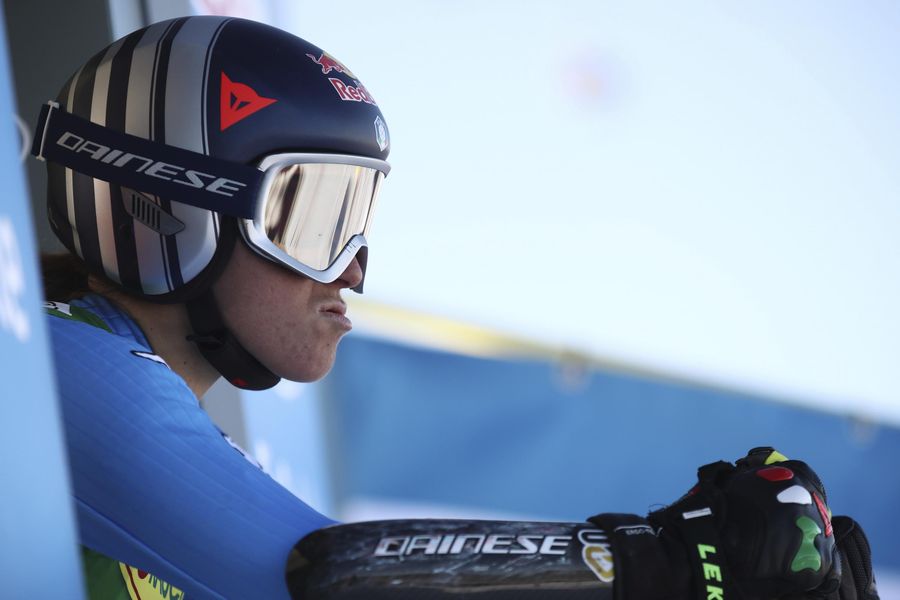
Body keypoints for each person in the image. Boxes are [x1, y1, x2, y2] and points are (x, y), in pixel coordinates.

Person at [33, 15, 876, 600]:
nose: (352, 269)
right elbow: (325, 575)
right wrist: (670, 564)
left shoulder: (126, 402)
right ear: (167, 204)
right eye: (315, 218)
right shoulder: (66, 371)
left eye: (358, 221)